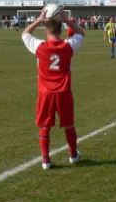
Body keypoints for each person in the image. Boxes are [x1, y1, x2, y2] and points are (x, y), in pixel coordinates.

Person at [21, 9, 85, 170]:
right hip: (63, 92)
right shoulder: (68, 45)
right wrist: (67, 19)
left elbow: (25, 34)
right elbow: (81, 33)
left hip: (45, 93)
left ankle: (45, 160)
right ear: (61, 30)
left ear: (46, 29)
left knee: (44, 126)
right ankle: (73, 155)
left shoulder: (39, 46)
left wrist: (39, 19)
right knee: (69, 125)